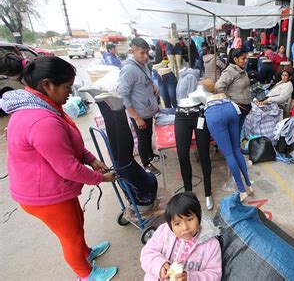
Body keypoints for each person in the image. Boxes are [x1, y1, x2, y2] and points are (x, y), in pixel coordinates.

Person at [0, 56, 118, 280]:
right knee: (70, 236)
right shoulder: (41, 120)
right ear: (47, 85)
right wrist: (102, 178)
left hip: (55, 186)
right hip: (44, 194)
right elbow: (69, 168)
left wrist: (90, 158)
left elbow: (68, 143)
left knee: (76, 221)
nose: (70, 93)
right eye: (67, 87)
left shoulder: (44, 103)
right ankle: (85, 273)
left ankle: (86, 253)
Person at [140, 192, 222, 281]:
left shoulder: (212, 245)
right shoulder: (163, 232)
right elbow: (147, 253)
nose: (185, 228)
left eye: (189, 219)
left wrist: (190, 277)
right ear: (170, 224)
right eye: (177, 223)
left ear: (199, 216)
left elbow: (214, 275)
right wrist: (159, 265)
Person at [117, 37, 160, 173]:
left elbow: (146, 80)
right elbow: (122, 95)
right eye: (142, 53)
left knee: (148, 135)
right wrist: (136, 117)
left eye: (147, 52)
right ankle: (146, 164)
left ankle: (151, 155)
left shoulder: (143, 65)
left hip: (147, 109)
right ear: (132, 51)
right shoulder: (129, 70)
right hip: (139, 112)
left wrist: (153, 86)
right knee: (143, 138)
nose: (146, 56)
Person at [215, 48, 252, 132]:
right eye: (243, 59)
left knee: (238, 133)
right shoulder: (230, 71)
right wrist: (228, 101)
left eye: (246, 58)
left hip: (244, 108)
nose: (246, 61)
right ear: (235, 59)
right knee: (234, 134)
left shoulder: (243, 70)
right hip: (236, 110)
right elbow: (218, 86)